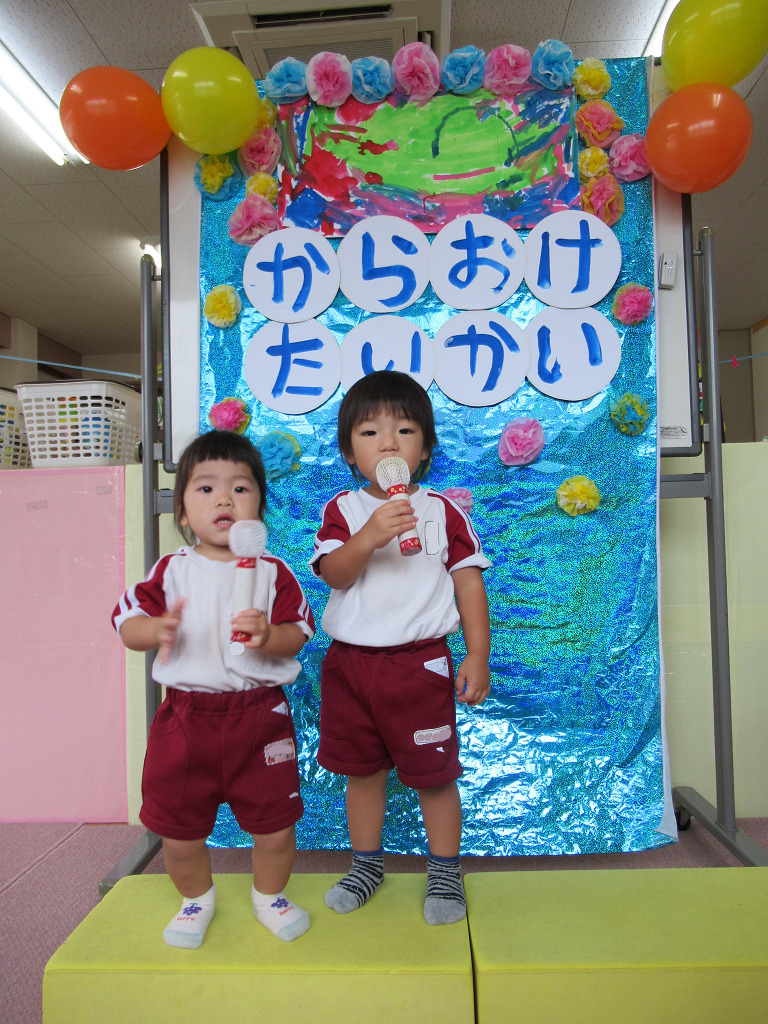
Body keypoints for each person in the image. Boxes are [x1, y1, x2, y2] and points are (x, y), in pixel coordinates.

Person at [112, 429, 314, 949]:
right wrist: (152, 631)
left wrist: (270, 636)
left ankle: (269, 895)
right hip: (185, 720)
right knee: (177, 831)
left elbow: (299, 636)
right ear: (182, 512)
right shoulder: (170, 572)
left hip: (260, 716)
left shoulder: (275, 574)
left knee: (275, 828)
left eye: (240, 489)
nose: (224, 498)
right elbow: (126, 621)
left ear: (260, 508)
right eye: (205, 489)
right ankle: (195, 898)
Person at [310, 370, 491, 925]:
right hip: (351, 667)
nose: (388, 443)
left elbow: (467, 582)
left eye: (405, 430)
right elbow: (335, 575)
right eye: (370, 433)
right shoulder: (344, 510)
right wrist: (369, 536)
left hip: (420, 666)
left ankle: (443, 872)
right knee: (361, 772)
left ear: (426, 449)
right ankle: (367, 864)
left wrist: (477, 655)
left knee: (434, 776)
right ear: (348, 453)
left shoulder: (443, 510)